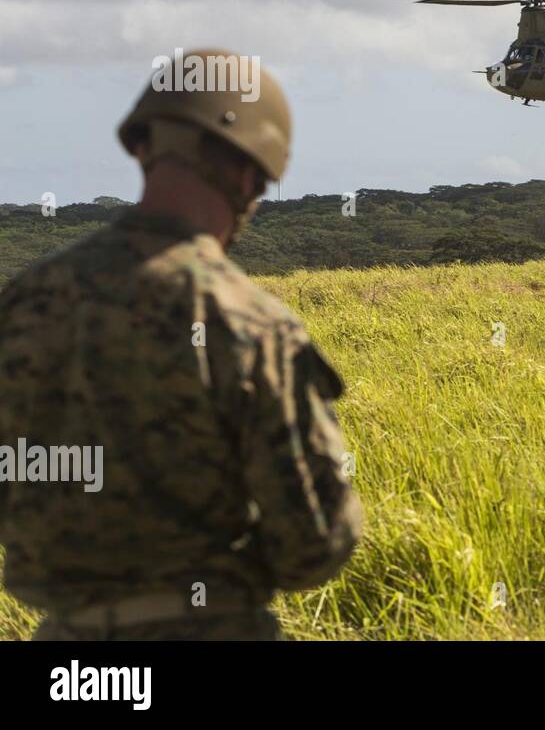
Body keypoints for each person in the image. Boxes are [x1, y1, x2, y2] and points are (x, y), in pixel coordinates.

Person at [0, 48, 363, 639]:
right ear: (249, 172)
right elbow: (316, 540)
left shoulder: (23, 303)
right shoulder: (248, 324)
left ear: (144, 148)